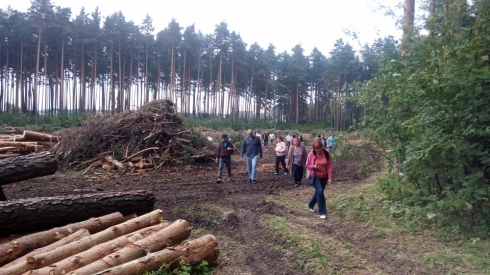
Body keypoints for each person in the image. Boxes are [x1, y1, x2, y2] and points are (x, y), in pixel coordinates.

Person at [306, 139, 333, 219]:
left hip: (324, 176)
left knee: (318, 192)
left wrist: (330, 178)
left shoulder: (326, 153)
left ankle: (310, 204)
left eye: (319, 149)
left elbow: (329, 166)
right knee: (320, 191)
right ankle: (322, 212)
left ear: (322, 147)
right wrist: (313, 166)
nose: (318, 150)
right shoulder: (311, 154)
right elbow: (307, 165)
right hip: (315, 176)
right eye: (316, 149)